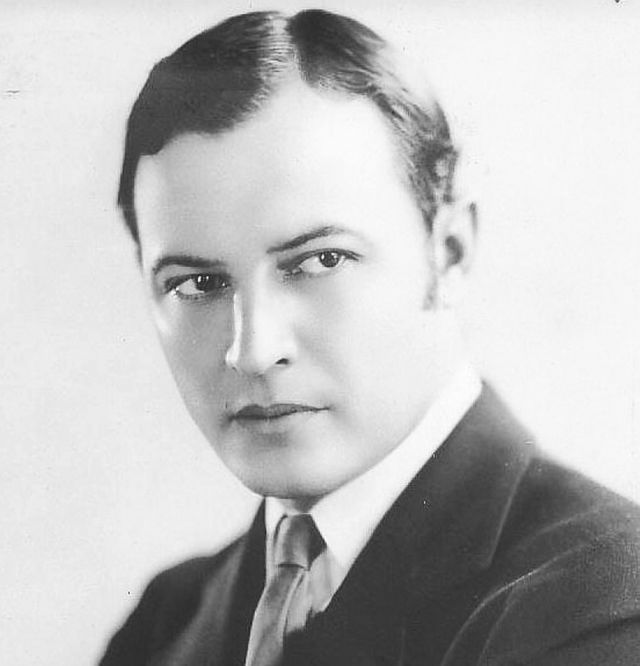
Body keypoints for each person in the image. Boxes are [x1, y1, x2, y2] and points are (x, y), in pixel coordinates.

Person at [99, 9, 640, 665]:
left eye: (321, 260)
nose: (253, 349)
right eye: (197, 284)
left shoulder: (603, 609)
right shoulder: (166, 622)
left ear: (449, 250)